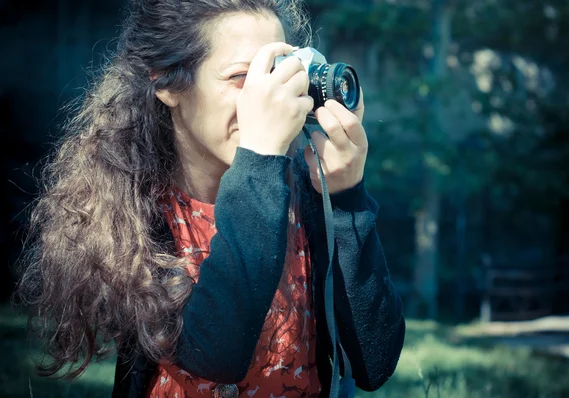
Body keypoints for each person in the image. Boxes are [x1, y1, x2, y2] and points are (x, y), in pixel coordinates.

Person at [15, 0, 406, 397]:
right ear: (167, 83)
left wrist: (344, 197)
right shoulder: (137, 215)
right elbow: (215, 353)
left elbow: (374, 363)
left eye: (276, 75)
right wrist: (260, 160)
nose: (264, 99)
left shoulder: (304, 198)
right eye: (241, 77)